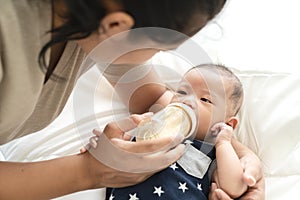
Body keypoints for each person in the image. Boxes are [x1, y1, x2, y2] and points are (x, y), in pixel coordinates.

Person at [0, 0, 264, 199]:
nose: (185, 102)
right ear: (117, 26)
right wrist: (88, 171)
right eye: (160, 48)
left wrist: (241, 155)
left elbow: (157, 98)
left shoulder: (96, 22)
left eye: (205, 100)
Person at [97, 64, 247, 199]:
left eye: (205, 100)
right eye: (182, 92)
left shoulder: (214, 151)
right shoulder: (151, 125)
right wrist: (104, 145)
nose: (187, 101)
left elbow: (234, 188)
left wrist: (223, 143)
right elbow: (118, 148)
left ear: (228, 124)